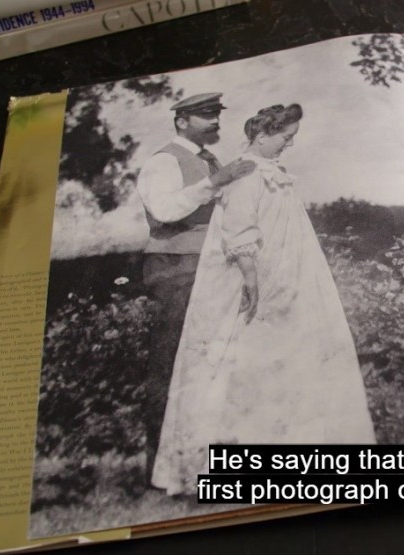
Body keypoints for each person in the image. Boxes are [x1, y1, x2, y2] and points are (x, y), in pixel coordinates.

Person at [151, 104, 376, 495]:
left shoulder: (275, 173)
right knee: (244, 360)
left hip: (287, 275)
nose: (289, 144)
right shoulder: (245, 172)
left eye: (292, 137)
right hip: (252, 276)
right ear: (260, 136)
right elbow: (239, 228)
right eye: (285, 137)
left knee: (288, 357)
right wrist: (252, 279)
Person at [137, 92, 255, 482]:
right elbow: (164, 211)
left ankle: (200, 460)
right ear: (182, 121)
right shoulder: (164, 161)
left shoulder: (211, 160)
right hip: (177, 267)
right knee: (171, 362)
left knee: (211, 362)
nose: (215, 121)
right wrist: (215, 182)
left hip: (213, 266)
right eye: (206, 115)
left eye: (217, 114)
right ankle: (160, 469)